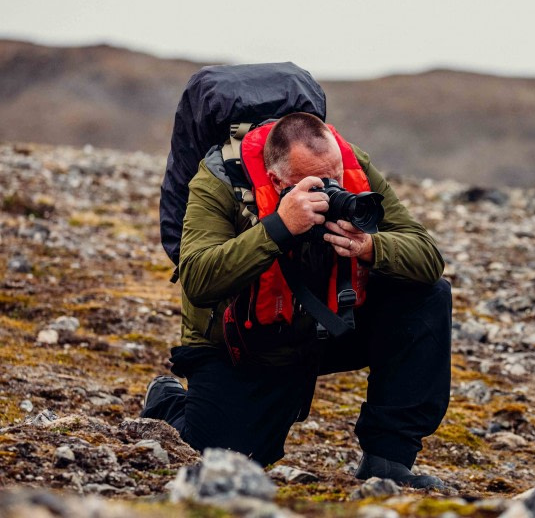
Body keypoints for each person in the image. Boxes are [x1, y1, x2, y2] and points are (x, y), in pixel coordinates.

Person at [142, 112, 451, 489]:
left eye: (335, 178)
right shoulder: (220, 181)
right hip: (244, 344)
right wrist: (278, 227)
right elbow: (197, 279)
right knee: (233, 461)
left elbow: (428, 257)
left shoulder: (354, 164)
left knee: (428, 295)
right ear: (276, 179)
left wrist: (371, 246)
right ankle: (168, 400)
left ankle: (387, 460)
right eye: (317, 184)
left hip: (324, 326)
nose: (332, 191)